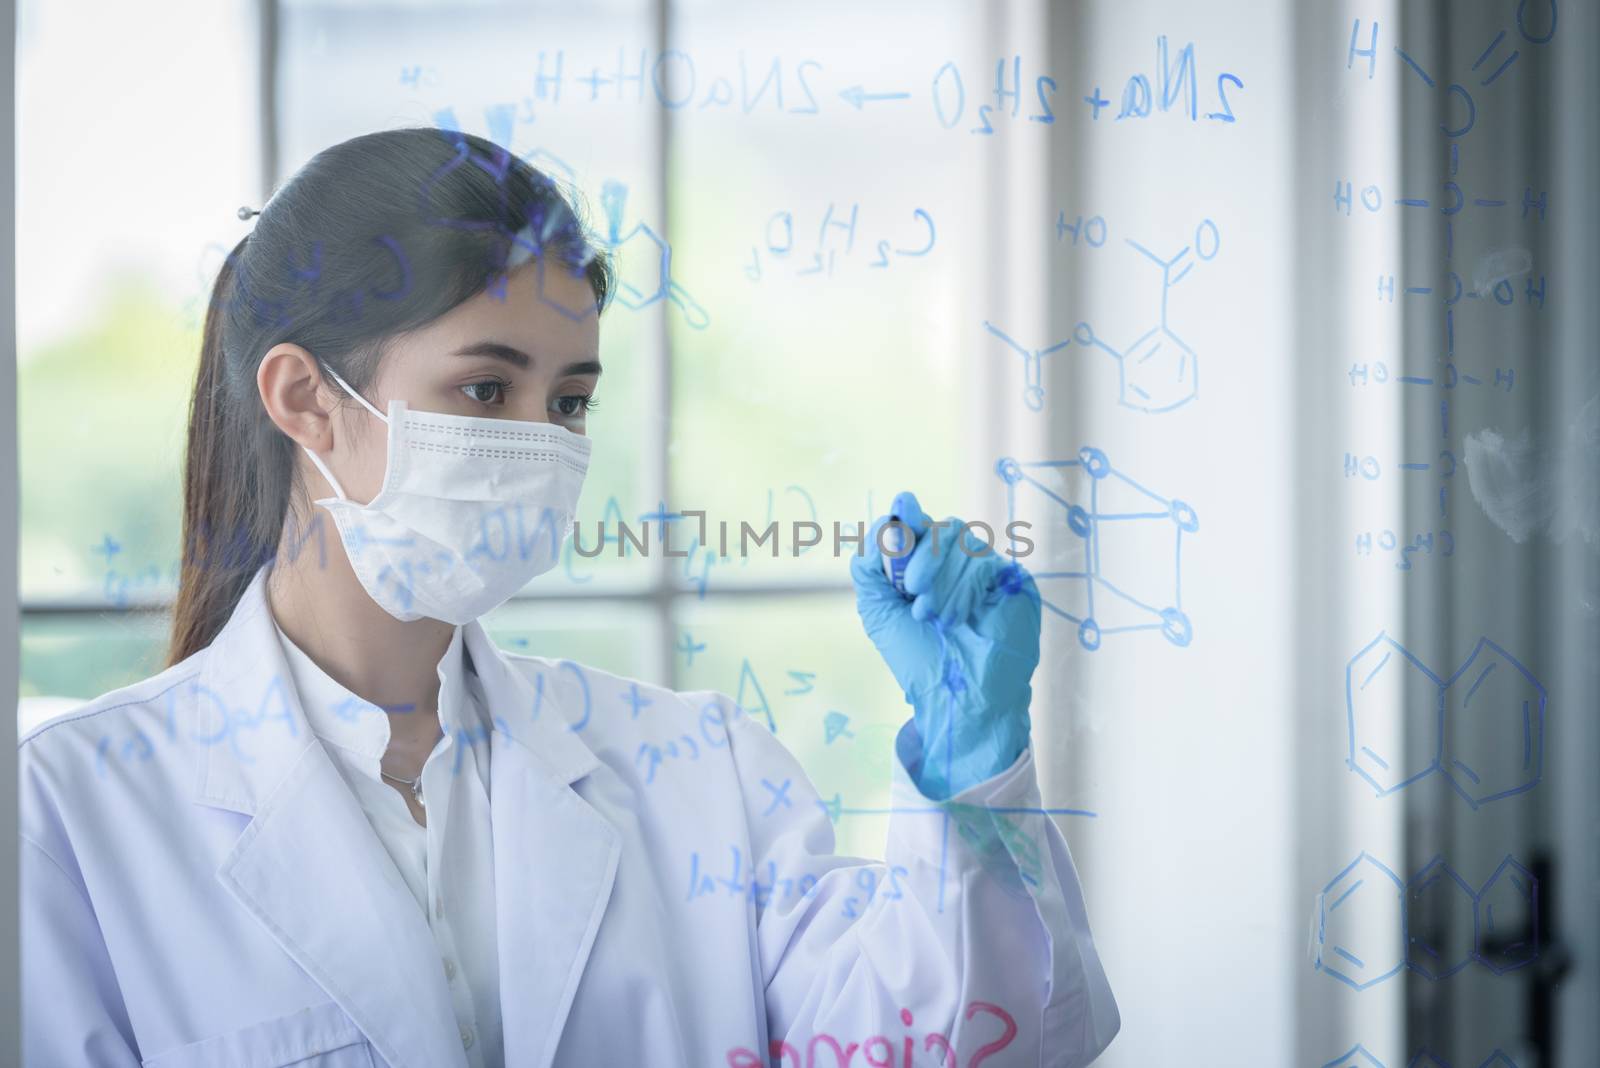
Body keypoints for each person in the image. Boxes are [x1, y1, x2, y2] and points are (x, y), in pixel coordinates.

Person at [18, 127, 1119, 1067]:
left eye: (571, 401)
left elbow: (955, 1041)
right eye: (485, 388)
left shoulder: (697, 768)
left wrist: (972, 762)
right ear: (306, 398)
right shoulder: (74, 813)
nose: (539, 444)